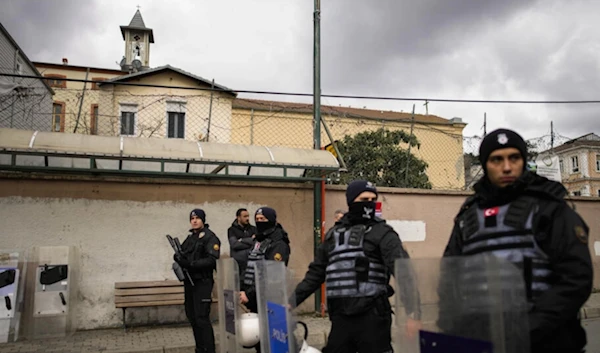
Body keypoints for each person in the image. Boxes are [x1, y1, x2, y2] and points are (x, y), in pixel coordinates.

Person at [442, 128, 593, 353]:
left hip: (547, 342)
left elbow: (575, 279)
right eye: (496, 159)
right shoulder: (468, 217)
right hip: (485, 340)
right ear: (485, 164)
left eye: (514, 157)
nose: (506, 167)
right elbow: (449, 278)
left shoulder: (549, 208)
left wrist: (528, 327)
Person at [291, 180, 421, 353]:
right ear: (351, 201)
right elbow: (316, 274)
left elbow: (403, 271)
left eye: (373, 199)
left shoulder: (383, 233)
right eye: (364, 199)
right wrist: (292, 301)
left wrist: (414, 313)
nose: (369, 203)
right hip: (340, 316)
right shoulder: (333, 235)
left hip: (373, 316)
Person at [239, 207, 291, 352]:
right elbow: (250, 266)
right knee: (260, 344)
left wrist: (248, 294)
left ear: (272, 220)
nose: (259, 222)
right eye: (257, 219)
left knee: (271, 344)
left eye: (263, 219)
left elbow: (271, 276)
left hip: (271, 302)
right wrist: (243, 289)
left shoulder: (278, 243)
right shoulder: (259, 240)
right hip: (256, 300)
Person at [174, 209, 221, 353]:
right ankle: (200, 349)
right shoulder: (191, 238)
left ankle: (209, 350)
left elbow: (212, 260)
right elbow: (181, 252)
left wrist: (191, 264)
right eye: (192, 218)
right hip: (190, 282)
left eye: (197, 218)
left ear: (203, 220)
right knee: (192, 317)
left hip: (203, 282)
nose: (194, 221)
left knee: (202, 318)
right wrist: (178, 258)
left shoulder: (210, 237)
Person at [227, 208, 257, 282]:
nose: (247, 218)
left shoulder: (253, 229)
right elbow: (234, 244)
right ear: (238, 217)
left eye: (248, 216)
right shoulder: (232, 230)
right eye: (244, 216)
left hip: (251, 264)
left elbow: (256, 243)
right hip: (238, 265)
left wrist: (242, 240)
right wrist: (250, 240)